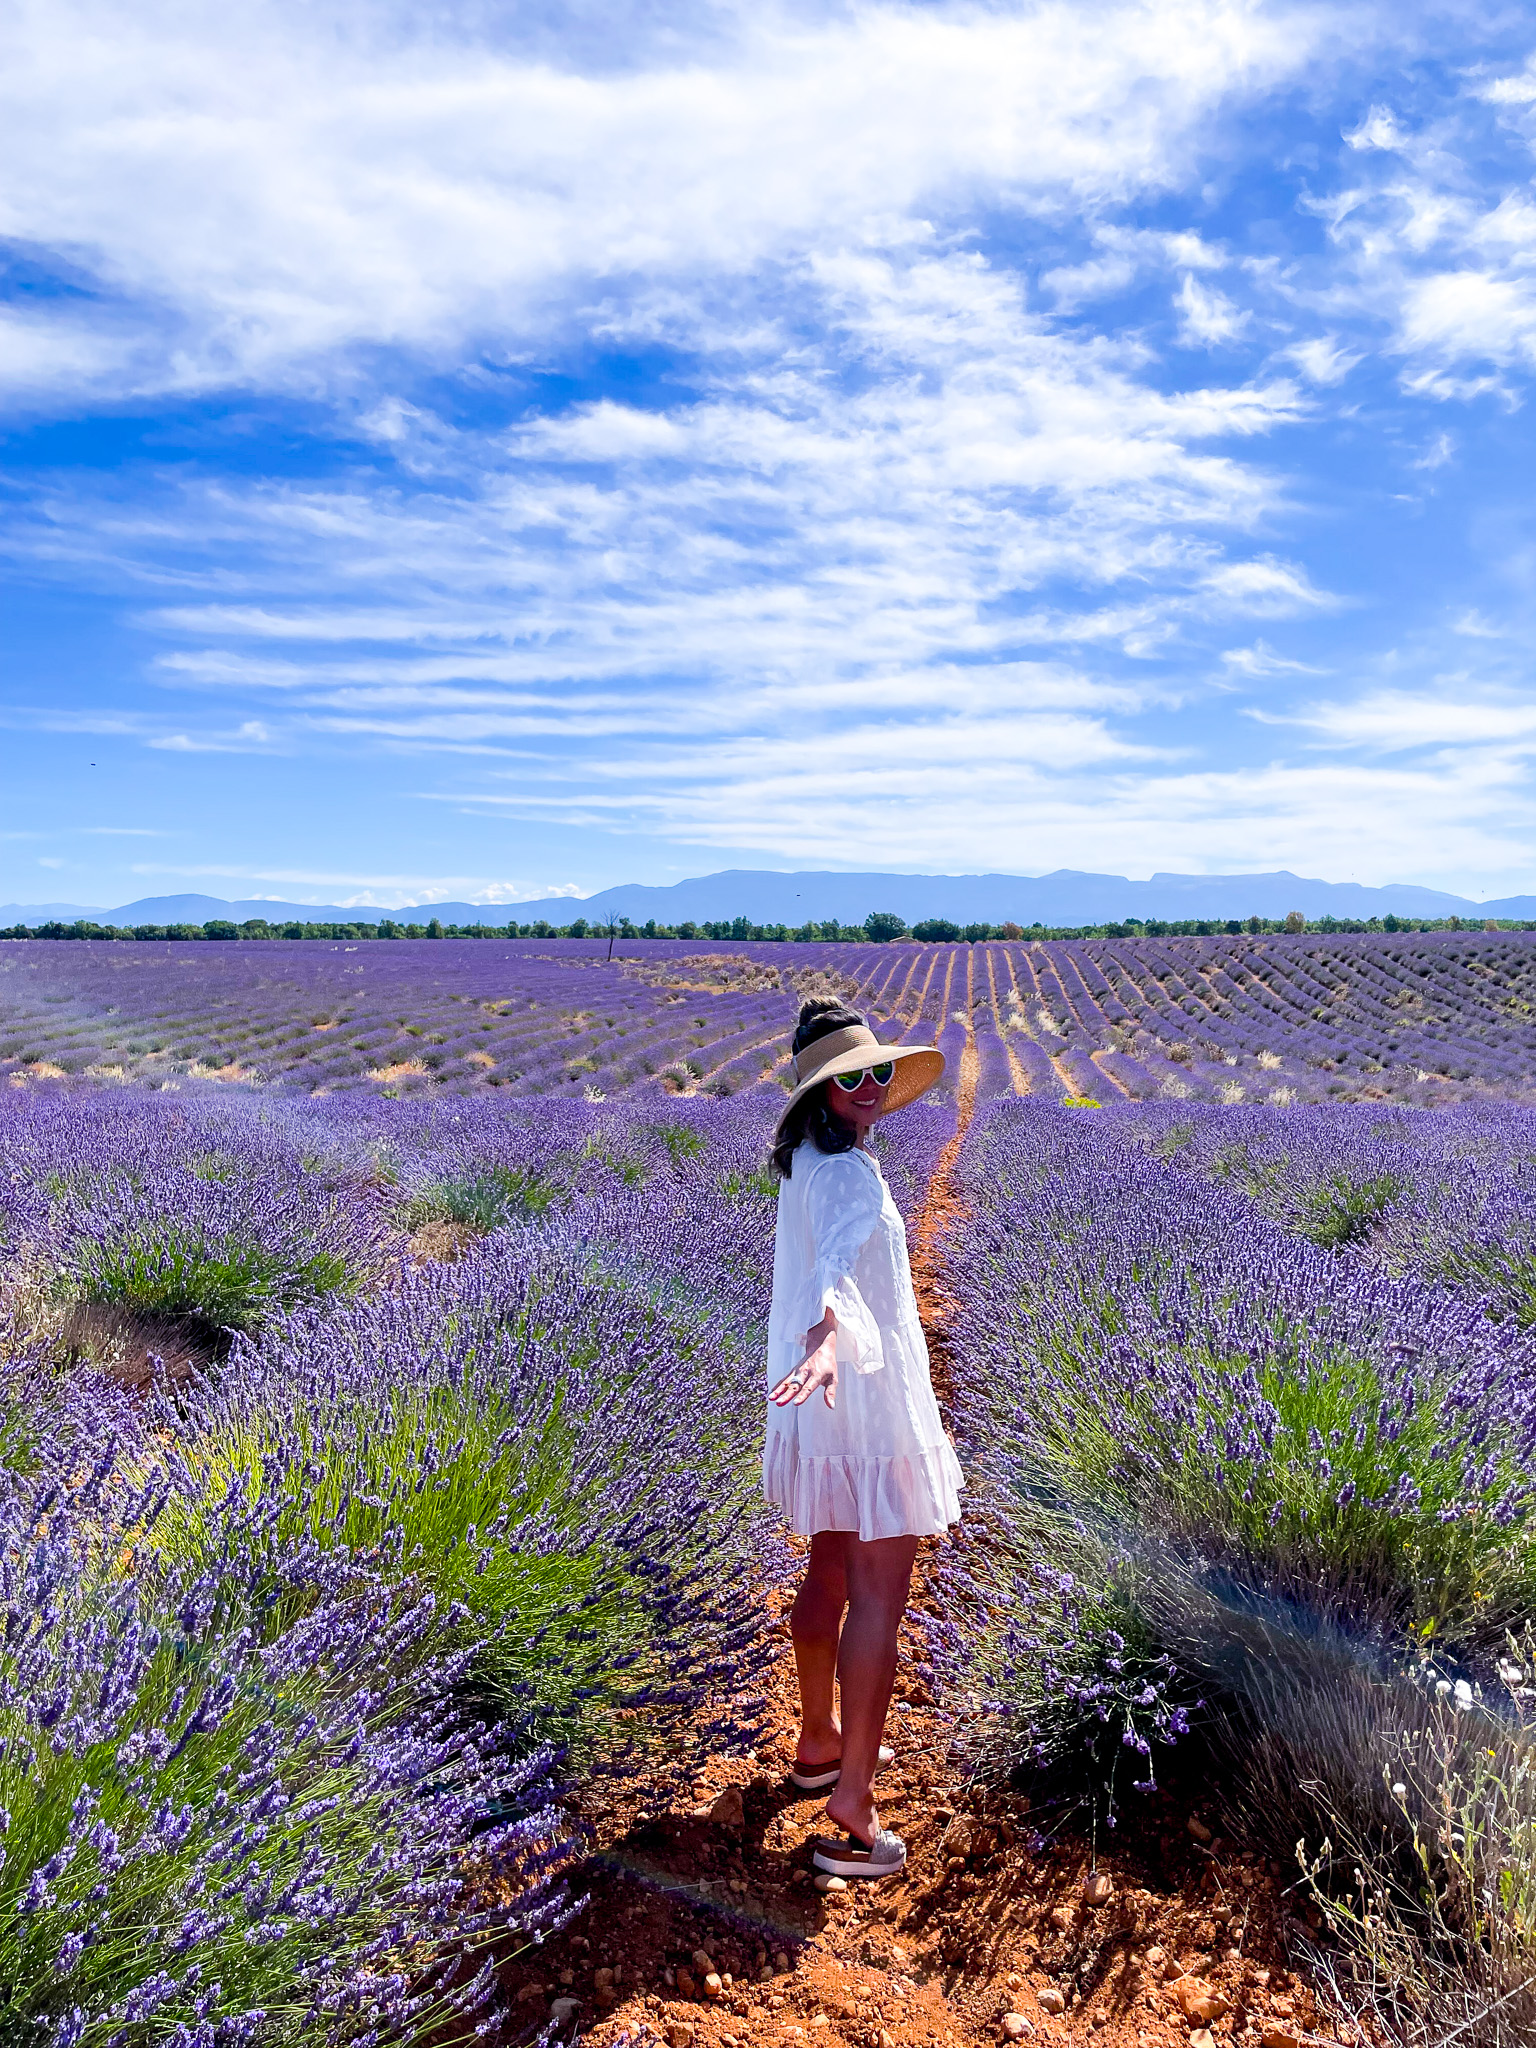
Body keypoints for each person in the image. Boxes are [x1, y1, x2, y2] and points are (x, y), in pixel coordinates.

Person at [765, 1000, 963, 1881]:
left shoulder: (807, 1162)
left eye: (879, 1071)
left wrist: (821, 1343)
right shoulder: (851, 1175)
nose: (872, 1087)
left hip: (825, 1406)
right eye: (851, 1077)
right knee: (880, 1594)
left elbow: (816, 1265)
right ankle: (853, 1802)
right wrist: (829, 1336)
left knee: (830, 1570)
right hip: (867, 1400)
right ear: (820, 1090)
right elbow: (834, 1267)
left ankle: (816, 1744)